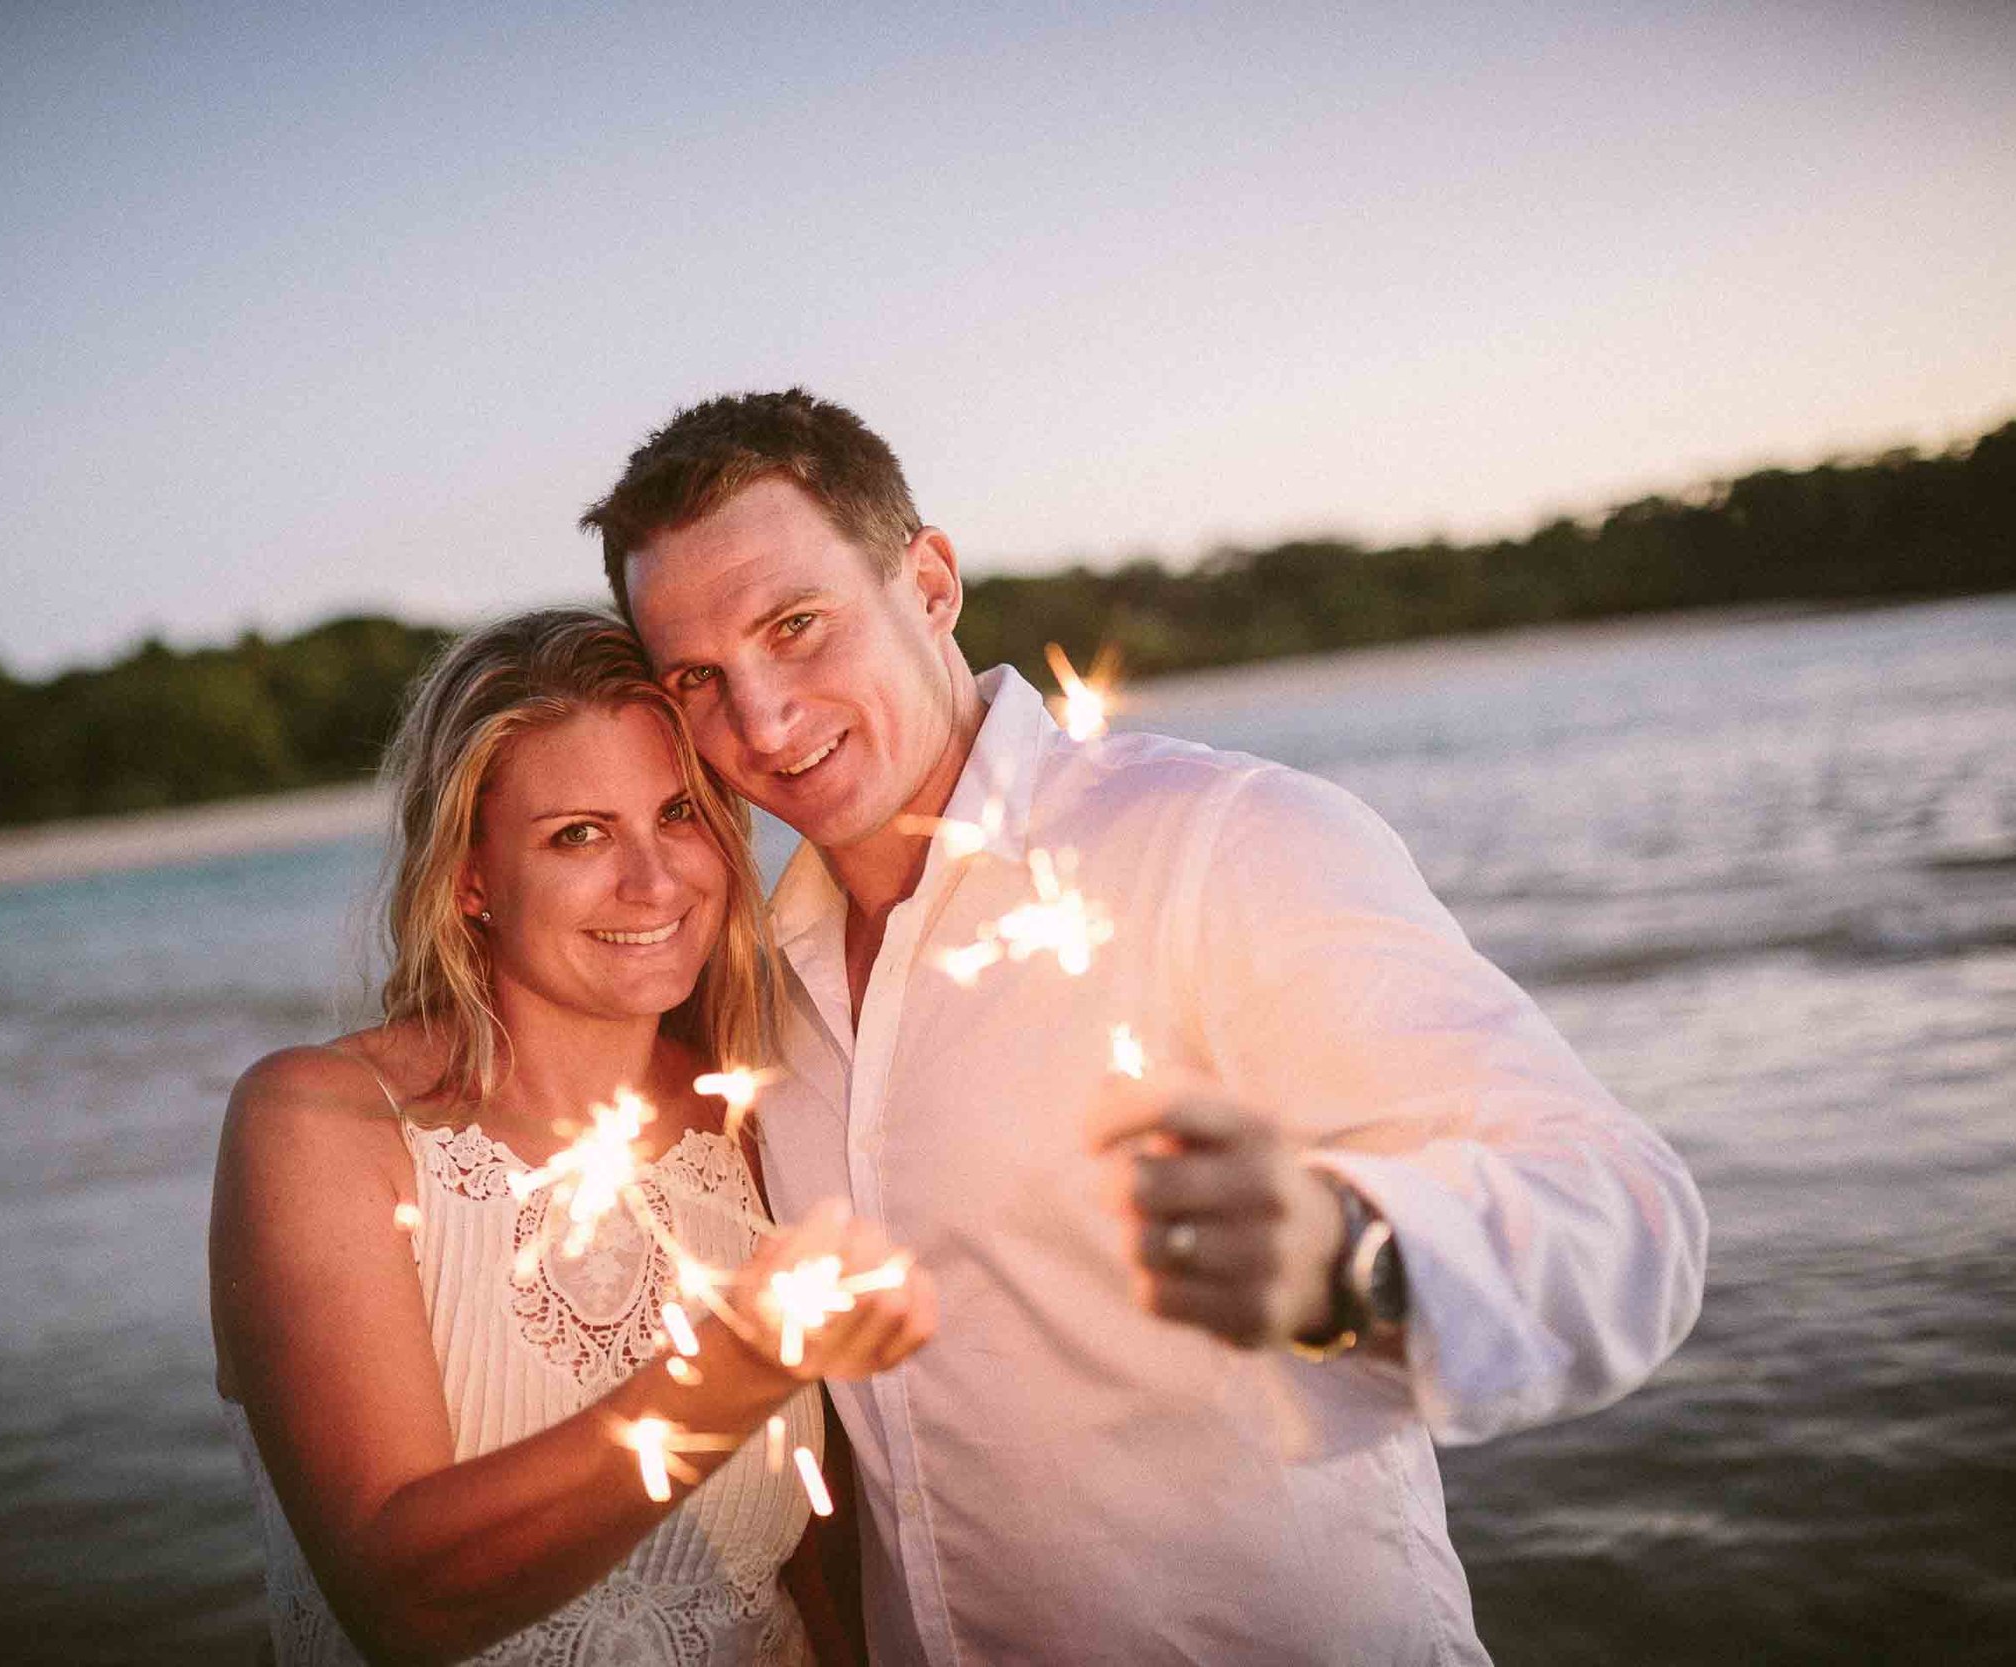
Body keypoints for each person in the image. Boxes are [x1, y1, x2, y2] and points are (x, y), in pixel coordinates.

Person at [583, 390, 1709, 1665]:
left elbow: (1630, 1220)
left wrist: (1349, 1252)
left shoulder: (1225, 840)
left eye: (797, 627)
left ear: (932, 580)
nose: (765, 721)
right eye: (700, 679)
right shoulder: (748, 973)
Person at [208, 608, 936, 1666]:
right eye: (577, 834)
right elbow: (404, 1602)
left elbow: (811, 1563)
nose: (653, 881)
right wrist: (739, 1359)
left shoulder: (749, 1112)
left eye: (679, 812)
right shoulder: (321, 1124)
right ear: (468, 877)